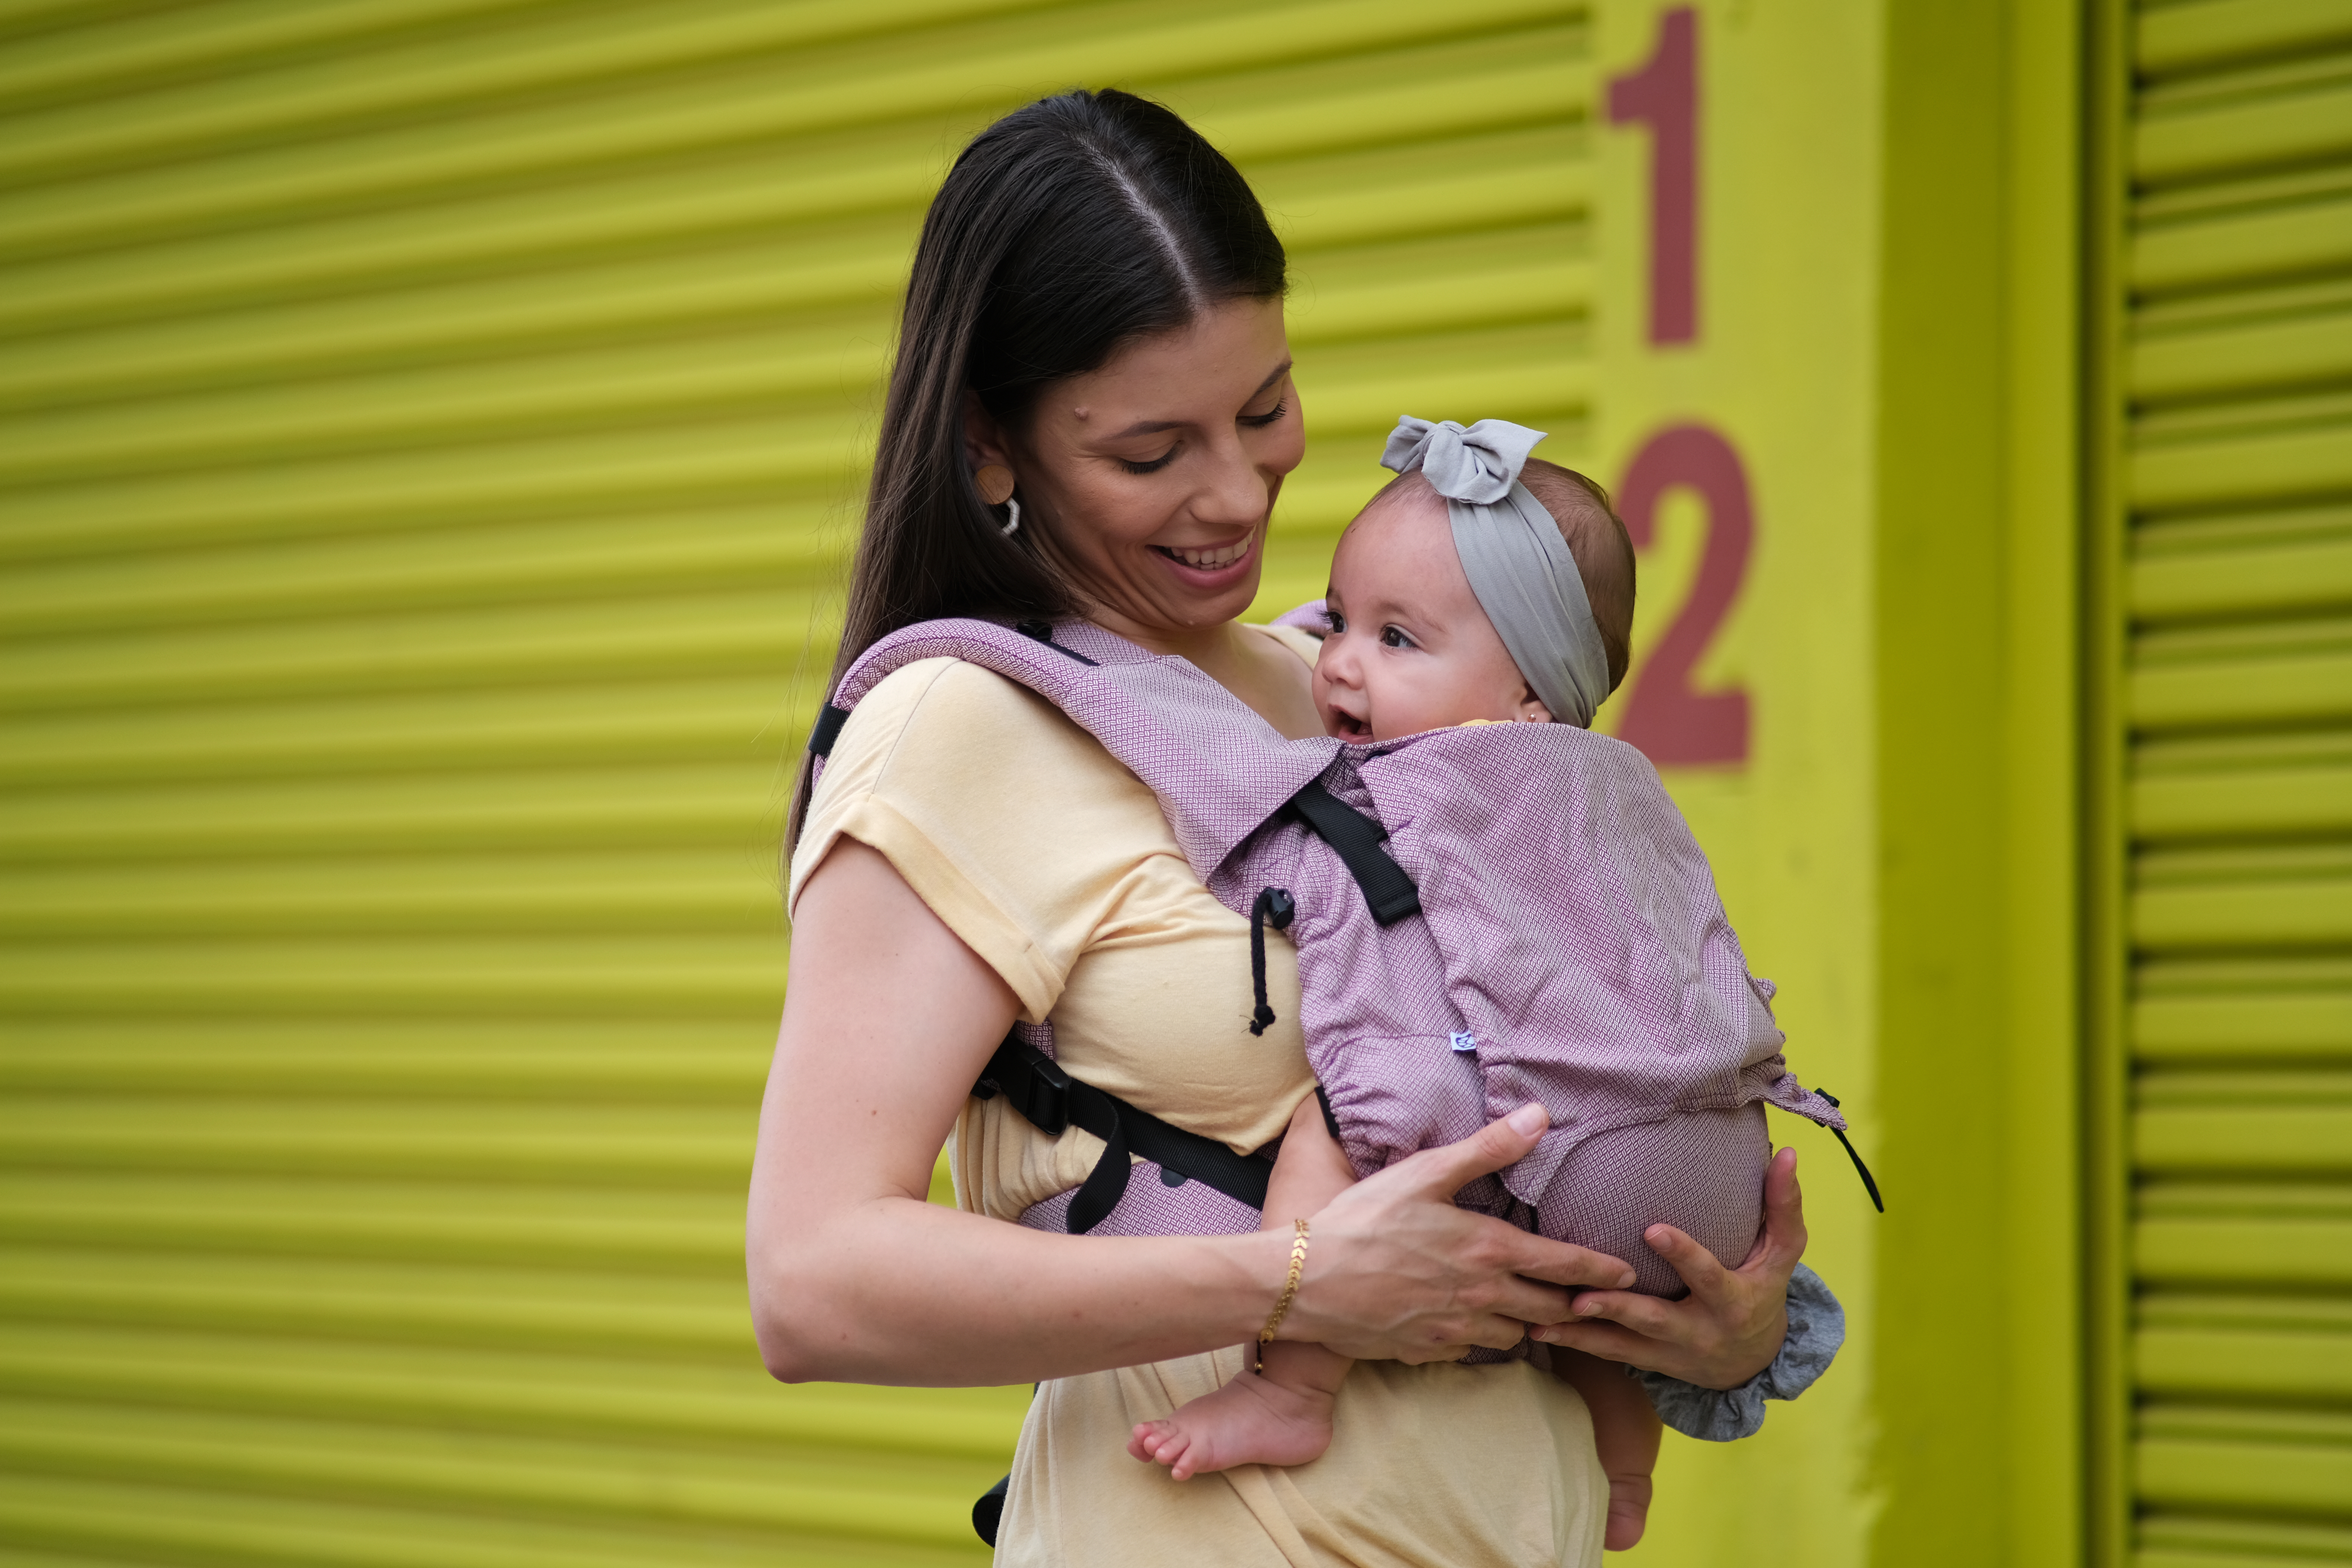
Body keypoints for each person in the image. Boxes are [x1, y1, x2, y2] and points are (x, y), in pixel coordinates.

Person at [747, 89, 1831, 1566]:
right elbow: (811, 1281)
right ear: (995, 447)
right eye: (1149, 451)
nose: (1235, 489)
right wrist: (1299, 1280)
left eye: (1264, 408)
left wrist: (1707, 1320)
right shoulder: (959, 728)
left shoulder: (1349, 688)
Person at [1124, 421, 1847, 1552]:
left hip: (1547, 1140)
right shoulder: (1619, 787)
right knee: (1591, 1310)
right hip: (1711, 1166)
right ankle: (1624, 1469)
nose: (1341, 663)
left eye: (1397, 637)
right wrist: (1382, 638)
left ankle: (1291, 1392)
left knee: (1350, 1119)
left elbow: (1264, 811)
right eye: (1338, 616)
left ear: (1524, 699)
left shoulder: (1432, 778)